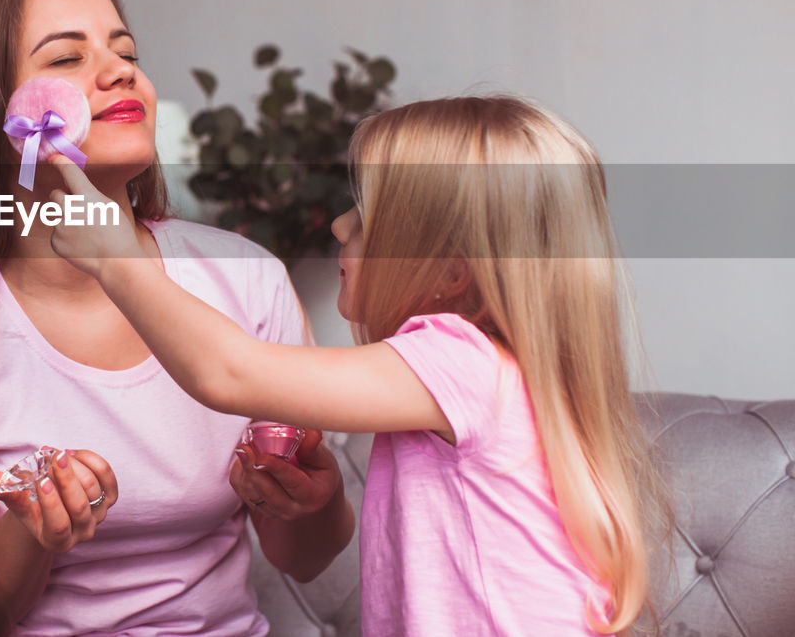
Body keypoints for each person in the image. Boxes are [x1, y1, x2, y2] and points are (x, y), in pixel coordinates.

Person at [0, 0, 354, 636]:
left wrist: (314, 502)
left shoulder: (247, 279)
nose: (119, 73)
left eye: (125, 51)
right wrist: (35, 531)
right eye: (67, 58)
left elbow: (303, 556)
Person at [49, 96, 669, 636]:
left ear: (452, 273)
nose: (341, 224)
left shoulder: (458, 358)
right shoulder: (490, 373)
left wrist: (115, 258)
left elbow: (230, 373)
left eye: (368, 219)